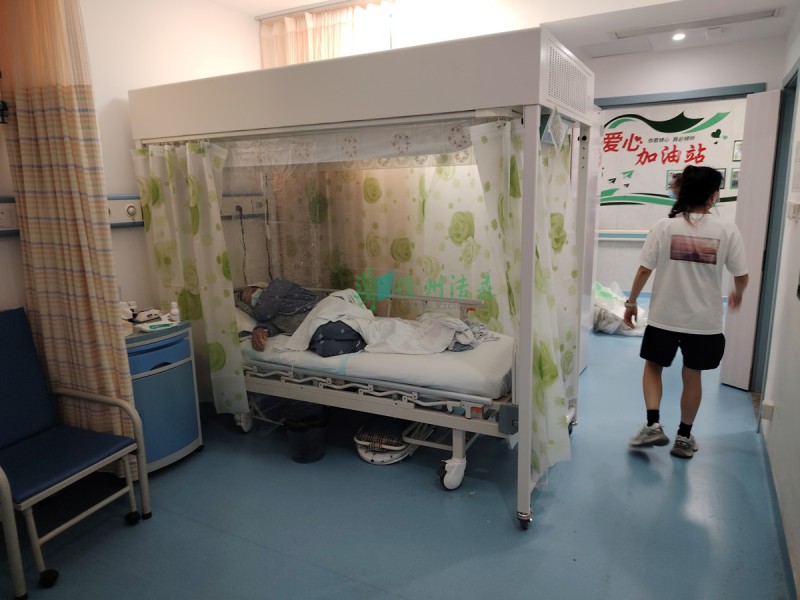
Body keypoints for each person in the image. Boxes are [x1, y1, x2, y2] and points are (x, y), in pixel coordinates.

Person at [624, 165, 749, 459]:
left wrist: (631, 303)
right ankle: (683, 437)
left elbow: (644, 269)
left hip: (664, 318)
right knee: (693, 376)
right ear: (714, 195)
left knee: (653, 367)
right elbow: (741, 275)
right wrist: (737, 294)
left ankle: (652, 425)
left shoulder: (664, 226)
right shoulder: (727, 229)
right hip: (704, 322)